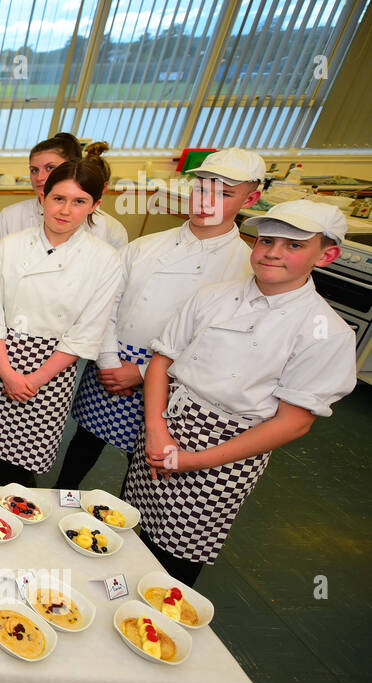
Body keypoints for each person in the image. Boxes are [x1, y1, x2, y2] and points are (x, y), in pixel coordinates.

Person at [123, 200, 356, 588]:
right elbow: (163, 361)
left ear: (327, 255)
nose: (273, 253)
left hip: (228, 450)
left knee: (174, 557)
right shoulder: (212, 295)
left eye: (294, 245)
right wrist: (156, 429)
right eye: (267, 240)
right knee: (130, 525)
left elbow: (293, 423)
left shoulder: (325, 331)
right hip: (168, 422)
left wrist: (195, 461)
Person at [55, 149, 261, 490]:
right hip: (111, 360)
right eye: (202, 188)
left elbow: (216, 344)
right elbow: (106, 303)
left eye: (224, 194)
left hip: (174, 377)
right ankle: (59, 495)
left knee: (144, 460)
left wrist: (141, 372)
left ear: (251, 198)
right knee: (85, 442)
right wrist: (108, 360)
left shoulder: (245, 269)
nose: (206, 202)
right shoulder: (144, 247)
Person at [0, 156, 123, 486]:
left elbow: (86, 331)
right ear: (43, 197)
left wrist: (35, 379)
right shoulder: (10, 246)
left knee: (19, 466)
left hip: (52, 372)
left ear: (95, 205)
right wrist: (6, 372)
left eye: (79, 202)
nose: (65, 210)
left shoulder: (105, 260)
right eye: (58, 198)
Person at [0, 133, 127, 271]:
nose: (40, 177)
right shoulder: (11, 215)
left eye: (50, 168)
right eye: (34, 170)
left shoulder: (107, 227)